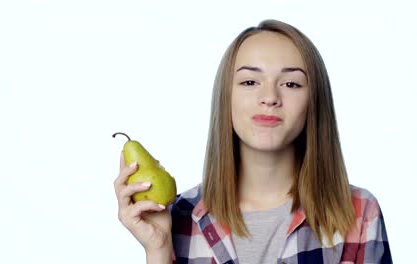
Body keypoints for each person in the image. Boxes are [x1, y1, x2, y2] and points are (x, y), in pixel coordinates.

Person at [113, 19, 392, 264]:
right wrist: (158, 249)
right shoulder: (180, 217)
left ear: (314, 102)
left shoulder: (359, 212)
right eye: (250, 82)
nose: (269, 97)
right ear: (226, 98)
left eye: (291, 83)